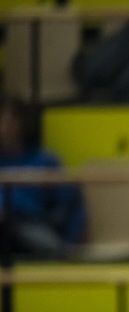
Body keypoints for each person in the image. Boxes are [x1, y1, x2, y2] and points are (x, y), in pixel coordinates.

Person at [0, 97, 85, 259]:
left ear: (22, 123)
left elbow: (72, 204)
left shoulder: (44, 161)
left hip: (32, 228)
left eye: (9, 122)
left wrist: (69, 244)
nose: (4, 129)